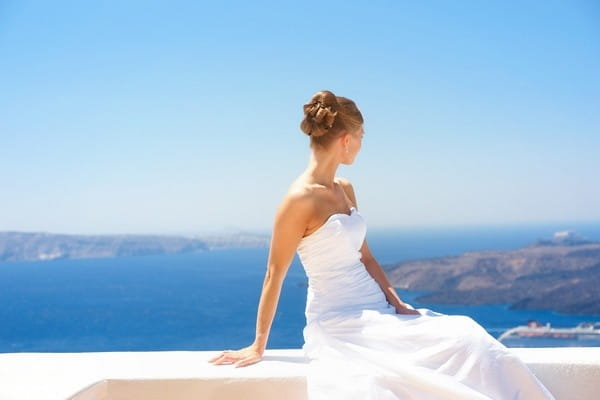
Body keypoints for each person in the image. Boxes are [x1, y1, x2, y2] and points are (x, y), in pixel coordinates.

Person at [208, 90, 555, 399]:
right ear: (345, 139)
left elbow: (367, 257)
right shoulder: (298, 200)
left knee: (468, 336)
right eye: (361, 136)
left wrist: (396, 301)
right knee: (379, 383)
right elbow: (274, 274)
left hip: (380, 309)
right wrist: (258, 345)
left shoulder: (345, 188)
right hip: (340, 319)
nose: (362, 143)